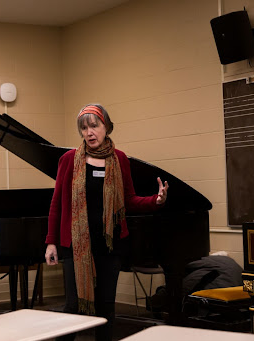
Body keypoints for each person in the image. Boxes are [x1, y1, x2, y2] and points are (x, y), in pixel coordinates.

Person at [44, 104, 169, 341]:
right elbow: (57, 203)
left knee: (106, 308)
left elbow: (129, 201)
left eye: (94, 126)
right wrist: (51, 242)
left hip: (109, 246)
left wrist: (157, 200)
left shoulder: (119, 159)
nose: (89, 132)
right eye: (84, 127)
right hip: (76, 245)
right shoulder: (69, 159)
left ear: (106, 127)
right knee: (73, 306)